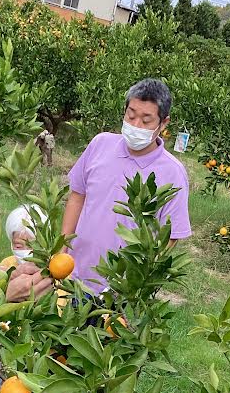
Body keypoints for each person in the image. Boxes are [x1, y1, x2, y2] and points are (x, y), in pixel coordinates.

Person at [62, 78, 192, 293]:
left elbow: (170, 237)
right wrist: (62, 249)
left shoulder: (173, 173)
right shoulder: (100, 144)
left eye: (146, 120)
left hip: (122, 291)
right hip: (75, 275)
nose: (136, 125)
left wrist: (137, 279)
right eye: (131, 116)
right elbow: (77, 195)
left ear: (164, 123)